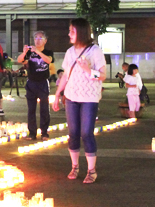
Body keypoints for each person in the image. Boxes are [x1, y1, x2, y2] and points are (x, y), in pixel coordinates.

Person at [53, 18, 107, 184]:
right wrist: (57, 94)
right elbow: (66, 76)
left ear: (81, 32)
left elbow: (103, 76)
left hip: (89, 98)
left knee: (86, 133)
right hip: (71, 97)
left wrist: (88, 70)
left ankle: (91, 170)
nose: (69, 34)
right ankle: (75, 166)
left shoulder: (95, 51)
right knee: (73, 133)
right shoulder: (70, 52)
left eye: (72, 31)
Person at [17, 31, 54, 140]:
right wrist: (24, 52)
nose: (37, 40)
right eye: (36, 38)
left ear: (45, 40)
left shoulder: (48, 52)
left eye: (40, 38)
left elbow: (48, 61)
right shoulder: (30, 52)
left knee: (44, 108)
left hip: (43, 82)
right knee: (31, 109)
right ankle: (32, 132)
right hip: (31, 82)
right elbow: (20, 60)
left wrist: (38, 51)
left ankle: (44, 132)